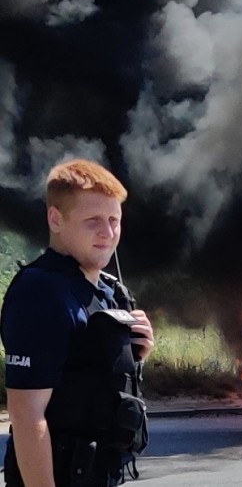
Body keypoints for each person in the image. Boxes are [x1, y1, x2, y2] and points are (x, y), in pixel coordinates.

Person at [1, 159, 155, 486]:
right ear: (56, 219)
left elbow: (88, 381)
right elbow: (28, 417)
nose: (108, 233)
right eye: (93, 220)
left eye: (114, 219)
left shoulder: (108, 290)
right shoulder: (41, 293)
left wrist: (136, 351)